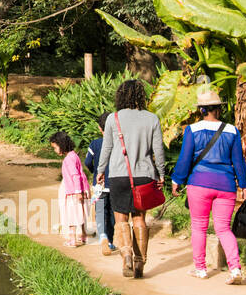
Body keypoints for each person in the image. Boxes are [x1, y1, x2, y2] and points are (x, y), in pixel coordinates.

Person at [172, 85, 246, 284]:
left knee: (199, 227)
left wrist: (177, 181)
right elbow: (238, 161)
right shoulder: (232, 130)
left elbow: (185, 159)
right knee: (223, 228)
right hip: (226, 185)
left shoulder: (192, 129)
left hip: (199, 183)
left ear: (201, 110)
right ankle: (235, 269)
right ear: (219, 108)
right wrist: (244, 185)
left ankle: (200, 269)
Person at [96, 79, 165, 278]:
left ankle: (126, 254)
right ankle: (140, 261)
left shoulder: (113, 119)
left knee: (121, 218)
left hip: (118, 174)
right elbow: (158, 150)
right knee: (139, 218)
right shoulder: (152, 118)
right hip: (144, 175)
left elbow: (107, 148)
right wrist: (161, 173)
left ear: (121, 96)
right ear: (140, 96)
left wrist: (101, 170)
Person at [82, 112, 116, 255]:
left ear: (99, 128)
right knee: (114, 213)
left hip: (99, 184)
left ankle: (102, 235)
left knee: (101, 211)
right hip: (115, 183)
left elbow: (88, 162)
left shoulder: (95, 144)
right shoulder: (118, 144)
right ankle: (111, 241)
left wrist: (94, 171)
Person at [52, 131, 90, 246]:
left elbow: (75, 175)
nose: (55, 150)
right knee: (81, 212)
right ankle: (83, 235)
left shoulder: (69, 159)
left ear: (61, 145)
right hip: (79, 189)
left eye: (55, 147)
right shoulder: (74, 155)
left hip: (73, 191)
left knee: (71, 214)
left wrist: (78, 192)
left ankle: (72, 239)